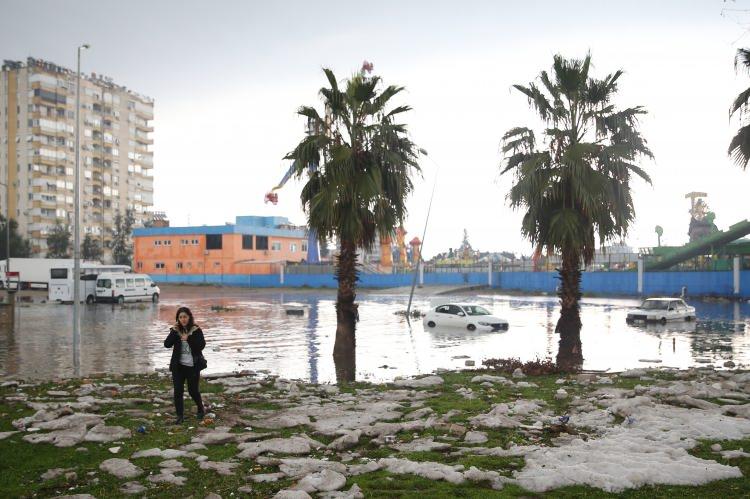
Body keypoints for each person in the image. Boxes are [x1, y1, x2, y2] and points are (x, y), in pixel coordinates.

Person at [164, 306, 206, 424]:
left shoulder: (196, 330)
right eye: (180, 317)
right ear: (178, 319)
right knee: (178, 391)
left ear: (189, 317)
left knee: (193, 391)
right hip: (178, 366)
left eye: (185, 317)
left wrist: (189, 339)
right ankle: (180, 416)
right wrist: (173, 331)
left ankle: (200, 408)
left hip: (192, 366)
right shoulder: (175, 331)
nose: (183, 319)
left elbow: (201, 346)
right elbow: (167, 344)